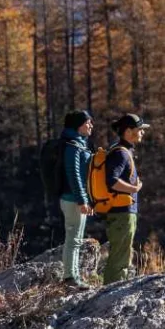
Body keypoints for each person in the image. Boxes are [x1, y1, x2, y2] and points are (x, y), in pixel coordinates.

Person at [101, 114, 147, 284]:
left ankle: (112, 290)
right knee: (120, 257)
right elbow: (111, 180)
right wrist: (133, 188)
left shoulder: (123, 151)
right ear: (128, 131)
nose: (142, 133)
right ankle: (110, 293)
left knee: (122, 254)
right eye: (139, 130)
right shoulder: (120, 153)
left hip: (124, 212)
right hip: (122, 213)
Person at [58, 110, 96, 287]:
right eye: (88, 122)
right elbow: (74, 174)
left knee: (76, 238)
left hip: (74, 198)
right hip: (72, 199)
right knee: (73, 239)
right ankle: (70, 278)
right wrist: (82, 200)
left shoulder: (78, 144)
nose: (91, 125)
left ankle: (72, 276)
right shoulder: (73, 146)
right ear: (78, 125)